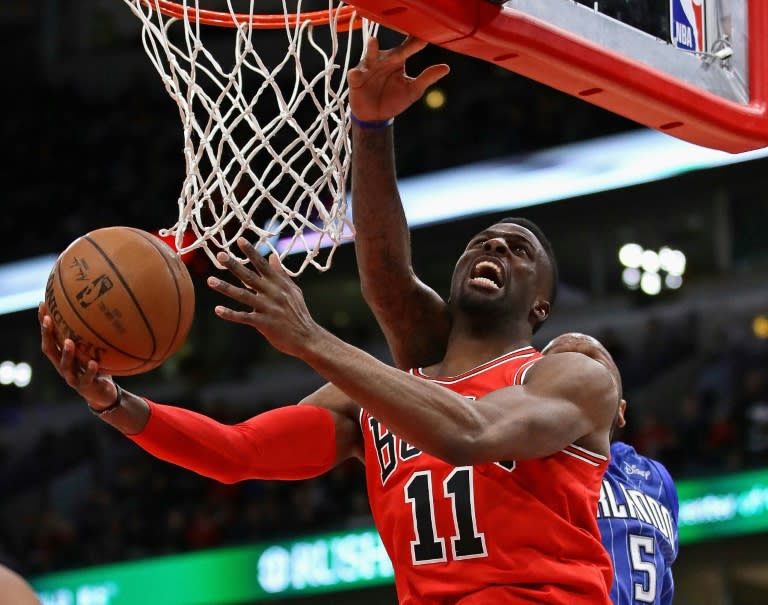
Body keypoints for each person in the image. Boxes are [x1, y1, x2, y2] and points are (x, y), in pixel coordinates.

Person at [39, 42, 620, 605]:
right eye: (483, 242)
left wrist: (311, 339)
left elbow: (472, 433)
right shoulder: (376, 399)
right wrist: (111, 401)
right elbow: (236, 451)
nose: (495, 246)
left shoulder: (567, 376)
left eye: (520, 251)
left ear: (541, 306)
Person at [346, 38, 679, 604]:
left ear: (616, 406)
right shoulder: (535, 423)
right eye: (563, 355)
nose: (573, 356)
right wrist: (370, 129)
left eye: (591, 359)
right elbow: (390, 286)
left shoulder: (614, 462)